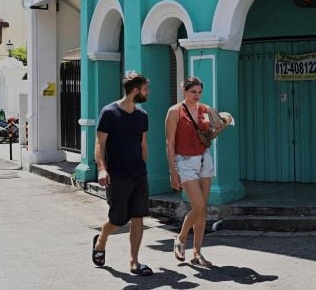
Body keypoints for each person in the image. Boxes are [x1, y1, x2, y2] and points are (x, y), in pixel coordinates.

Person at [91, 71, 153, 276]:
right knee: (118, 220)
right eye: (145, 89)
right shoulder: (109, 112)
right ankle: (101, 240)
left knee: (138, 217)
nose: (147, 92)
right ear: (136, 90)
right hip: (117, 175)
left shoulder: (142, 115)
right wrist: (102, 168)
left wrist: (143, 165)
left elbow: (143, 144)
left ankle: (134, 262)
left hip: (138, 174)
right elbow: (100, 143)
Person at [164, 76, 224, 267]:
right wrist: (173, 172)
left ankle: (197, 253)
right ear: (184, 91)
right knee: (197, 207)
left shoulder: (205, 109)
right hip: (185, 162)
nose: (197, 95)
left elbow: (209, 135)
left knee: (202, 209)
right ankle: (180, 238)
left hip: (205, 159)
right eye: (193, 92)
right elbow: (170, 143)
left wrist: (222, 125)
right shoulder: (175, 112)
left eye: (199, 92)